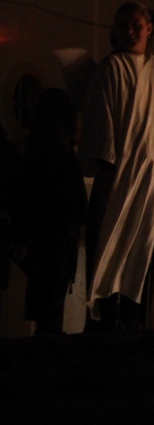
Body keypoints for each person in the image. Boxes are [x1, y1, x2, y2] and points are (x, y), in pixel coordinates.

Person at [81, 2, 154, 329]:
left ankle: (134, 322)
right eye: (123, 24)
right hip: (120, 173)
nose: (130, 30)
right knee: (112, 245)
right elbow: (101, 119)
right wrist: (106, 161)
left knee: (142, 251)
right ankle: (106, 323)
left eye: (136, 23)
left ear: (149, 27)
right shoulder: (110, 68)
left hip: (153, 177)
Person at [16, 88, 87, 335]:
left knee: (44, 306)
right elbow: (80, 205)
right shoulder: (65, 158)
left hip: (40, 240)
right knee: (53, 307)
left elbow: (25, 200)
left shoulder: (33, 154)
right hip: (59, 239)